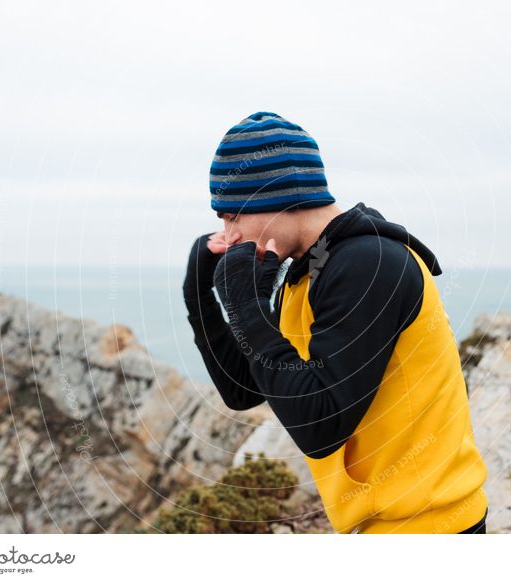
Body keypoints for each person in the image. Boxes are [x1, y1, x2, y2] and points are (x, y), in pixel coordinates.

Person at [183, 111, 488, 534]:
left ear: (275, 198)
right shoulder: (306, 272)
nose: (228, 233)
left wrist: (248, 306)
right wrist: (200, 291)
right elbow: (243, 389)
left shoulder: (369, 264)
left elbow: (320, 425)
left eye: (231, 215)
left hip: (433, 526)